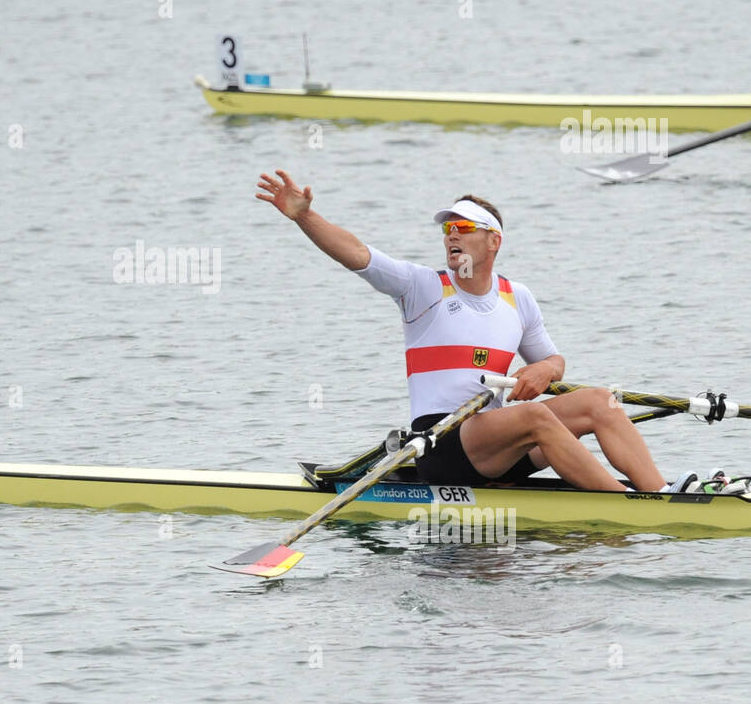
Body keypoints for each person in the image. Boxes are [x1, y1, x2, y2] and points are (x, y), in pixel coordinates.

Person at [255, 169, 680, 492]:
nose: (450, 238)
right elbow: (359, 255)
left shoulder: (518, 297)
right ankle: (626, 508)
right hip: (441, 445)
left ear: (493, 241)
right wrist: (305, 217)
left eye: (462, 229)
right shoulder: (422, 287)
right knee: (534, 415)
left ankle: (660, 493)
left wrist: (546, 371)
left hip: (501, 444)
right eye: (447, 229)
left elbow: (555, 361)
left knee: (600, 401)